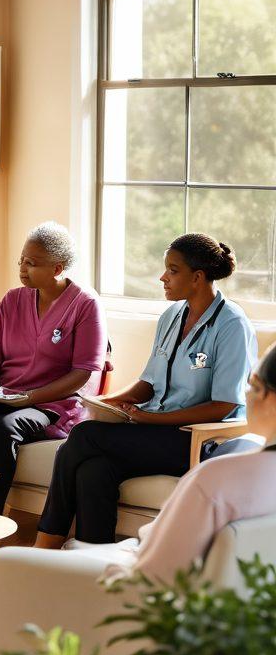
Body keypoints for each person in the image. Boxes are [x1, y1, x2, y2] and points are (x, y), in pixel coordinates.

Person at [0, 342, 276, 655]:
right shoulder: (241, 467)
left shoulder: (218, 479)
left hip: (147, 610)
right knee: (96, 469)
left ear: (271, 398)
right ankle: (77, 545)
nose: (247, 395)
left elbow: (151, 578)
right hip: (223, 619)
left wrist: (111, 561)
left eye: (252, 385)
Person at [35, 233, 256, 548]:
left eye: (173, 270)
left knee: (84, 436)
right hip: (156, 431)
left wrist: (148, 420)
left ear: (198, 277)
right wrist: (106, 403)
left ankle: (46, 542)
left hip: (199, 441)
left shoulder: (232, 325)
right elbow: (149, 383)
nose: (162, 277)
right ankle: (90, 559)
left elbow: (223, 405)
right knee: (93, 470)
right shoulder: (171, 316)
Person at [0, 222, 106, 514]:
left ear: (58, 268)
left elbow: (83, 373)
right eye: (21, 260)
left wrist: (30, 397)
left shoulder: (85, 304)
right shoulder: (12, 300)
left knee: (5, 427)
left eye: (32, 263)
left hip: (54, 404)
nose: (22, 268)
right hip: (7, 395)